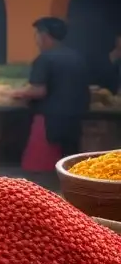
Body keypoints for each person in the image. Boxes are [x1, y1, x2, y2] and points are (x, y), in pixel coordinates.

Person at [15, 17, 90, 160]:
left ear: (44, 36)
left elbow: (39, 91)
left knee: (48, 163)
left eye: (37, 34)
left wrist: (17, 93)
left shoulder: (44, 59)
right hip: (76, 117)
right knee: (70, 158)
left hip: (51, 119)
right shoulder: (77, 57)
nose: (36, 39)